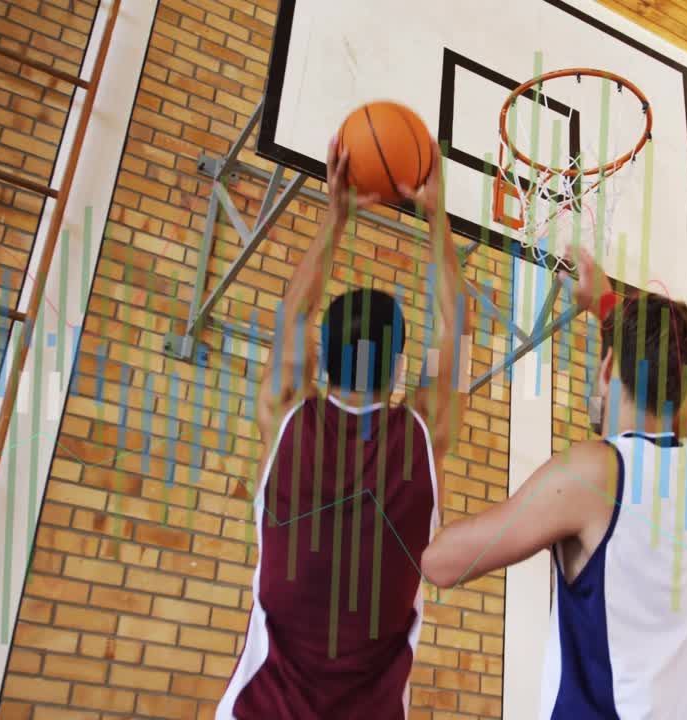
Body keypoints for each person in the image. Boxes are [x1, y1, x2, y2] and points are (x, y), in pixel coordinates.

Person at [421, 247, 687, 719]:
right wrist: (607, 306)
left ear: (607, 369)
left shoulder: (592, 476)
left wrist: (430, 446)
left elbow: (440, 564)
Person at [217, 138, 470, 720]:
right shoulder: (424, 432)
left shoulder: (285, 412)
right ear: (402, 364)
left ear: (321, 357)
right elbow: (455, 327)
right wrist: (435, 220)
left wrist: (335, 215)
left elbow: (292, 315)